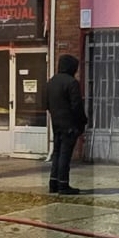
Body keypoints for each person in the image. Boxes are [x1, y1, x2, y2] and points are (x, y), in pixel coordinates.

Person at [45, 54, 88, 195]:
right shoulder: (71, 83)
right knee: (65, 155)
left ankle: (53, 183)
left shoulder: (51, 82)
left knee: (56, 153)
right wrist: (82, 121)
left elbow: (45, 103)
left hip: (56, 123)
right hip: (69, 125)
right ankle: (63, 185)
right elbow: (77, 106)